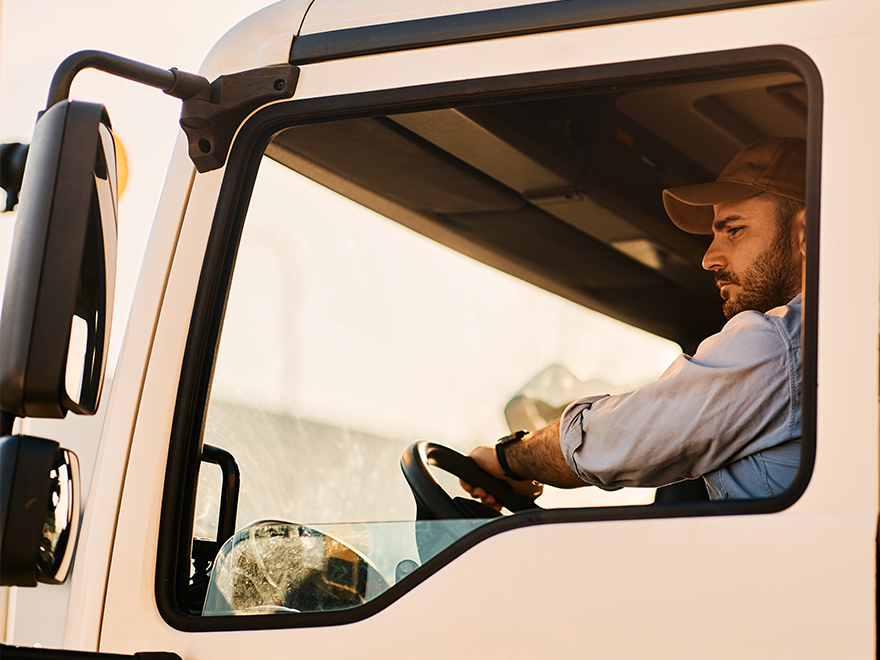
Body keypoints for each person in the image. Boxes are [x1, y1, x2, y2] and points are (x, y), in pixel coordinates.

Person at [463, 137, 807, 503]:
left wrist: (509, 460)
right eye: (714, 235)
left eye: (734, 230)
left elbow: (612, 441)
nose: (709, 258)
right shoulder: (830, 342)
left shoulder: (780, 344)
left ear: (807, 233)